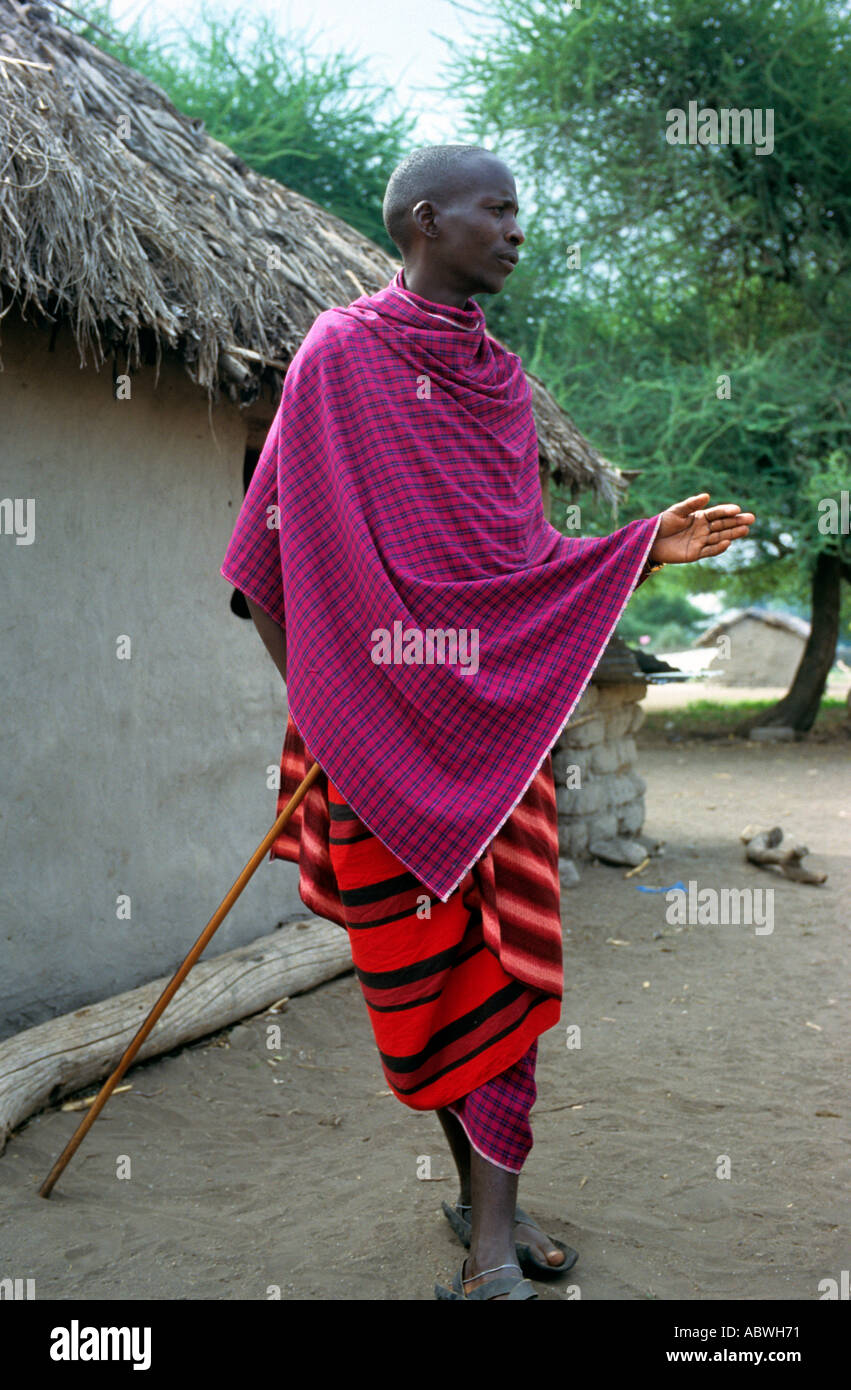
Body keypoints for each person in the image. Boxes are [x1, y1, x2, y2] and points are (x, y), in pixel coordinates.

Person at [221, 143, 755, 1301]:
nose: (516, 229)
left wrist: (639, 546)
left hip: (497, 745)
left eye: (519, 213)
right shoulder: (336, 358)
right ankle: (478, 1204)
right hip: (366, 740)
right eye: (495, 210)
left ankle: (490, 1243)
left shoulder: (502, 385)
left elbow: (520, 569)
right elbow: (270, 566)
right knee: (421, 984)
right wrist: (329, 709)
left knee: (501, 976)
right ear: (424, 219)